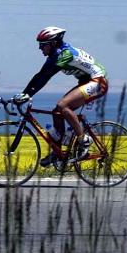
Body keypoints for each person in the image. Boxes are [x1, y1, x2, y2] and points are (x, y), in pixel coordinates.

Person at [12, 26, 108, 166]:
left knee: (63, 105)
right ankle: (57, 153)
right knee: (57, 112)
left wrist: (27, 95)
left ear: (53, 43)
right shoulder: (55, 54)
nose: (40, 48)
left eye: (43, 45)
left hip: (98, 82)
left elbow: (46, 76)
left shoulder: (65, 54)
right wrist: (24, 93)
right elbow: (40, 75)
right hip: (86, 82)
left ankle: (83, 139)